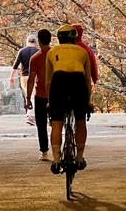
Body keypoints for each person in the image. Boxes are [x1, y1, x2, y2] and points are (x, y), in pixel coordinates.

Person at [45, 25, 92, 174]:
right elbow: (87, 80)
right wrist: (87, 101)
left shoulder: (52, 52)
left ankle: (57, 160)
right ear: (74, 37)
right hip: (78, 81)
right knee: (80, 120)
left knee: (57, 123)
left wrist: (49, 101)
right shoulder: (83, 52)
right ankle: (79, 158)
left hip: (59, 82)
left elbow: (48, 81)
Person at [26, 29, 52, 161]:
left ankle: (45, 152)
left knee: (41, 125)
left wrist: (28, 98)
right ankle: (57, 148)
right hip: (55, 94)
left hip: (40, 95)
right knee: (57, 123)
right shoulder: (56, 55)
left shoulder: (35, 58)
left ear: (39, 41)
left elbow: (31, 79)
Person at [9, 35, 39, 126]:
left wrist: (11, 77)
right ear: (35, 41)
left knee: (27, 96)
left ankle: (30, 115)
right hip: (35, 76)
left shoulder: (22, 51)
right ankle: (31, 116)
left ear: (27, 41)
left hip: (24, 76)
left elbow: (15, 65)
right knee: (33, 95)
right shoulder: (38, 51)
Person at [71, 24, 98, 89]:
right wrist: (94, 80)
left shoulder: (63, 48)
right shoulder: (87, 49)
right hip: (83, 80)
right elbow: (93, 65)